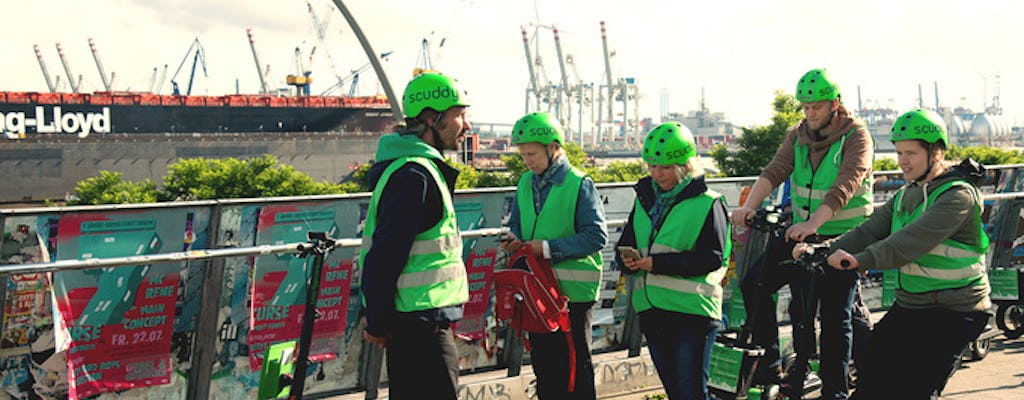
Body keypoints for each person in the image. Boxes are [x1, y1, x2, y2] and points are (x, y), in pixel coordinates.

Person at [819, 109, 991, 399]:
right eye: (899, 152)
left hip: (956, 312)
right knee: (872, 373)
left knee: (914, 388)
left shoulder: (957, 196)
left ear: (935, 152)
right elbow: (868, 231)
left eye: (910, 153)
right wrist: (822, 251)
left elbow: (909, 242)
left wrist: (861, 260)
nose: (902, 161)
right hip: (912, 306)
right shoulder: (905, 195)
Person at [730, 68, 873, 399]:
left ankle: (835, 391)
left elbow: (847, 183)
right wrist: (748, 207)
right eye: (805, 107)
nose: (810, 114)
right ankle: (772, 366)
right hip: (802, 233)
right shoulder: (798, 135)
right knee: (757, 285)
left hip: (843, 237)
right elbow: (776, 169)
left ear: (834, 104)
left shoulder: (856, 136)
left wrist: (815, 224)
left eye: (817, 107)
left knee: (835, 315)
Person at [359, 72, 471, 399]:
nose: (466, 124)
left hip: (417, 321)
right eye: (459, 115)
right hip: (420, 326)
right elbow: (386, 253)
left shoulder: (417, 170)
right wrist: (377, 322)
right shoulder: (414, 175)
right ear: (431, 119)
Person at [615, 122, 729, 400]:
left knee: (691, 393)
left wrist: (657, 264)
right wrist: (626, 261)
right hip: (653, 310)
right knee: (676, 392)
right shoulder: (643, 200)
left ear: (684, 165)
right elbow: (626, 242)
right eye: (652, 166)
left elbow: (712, 258)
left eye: (665, 167)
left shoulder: (708, 203)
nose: (657, 174)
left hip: (693, 312)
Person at [498, 112, 607, 400]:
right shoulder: (524, 183)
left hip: (572, 295)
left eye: (531, 154)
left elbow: (596, 236)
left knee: (575, 368)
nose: (527, 161)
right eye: (523, 155)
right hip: (537, 293)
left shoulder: (579, 183)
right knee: (545, 369)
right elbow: (518, 226)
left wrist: (544, 248)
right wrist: (514, 240)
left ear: (553, 147)